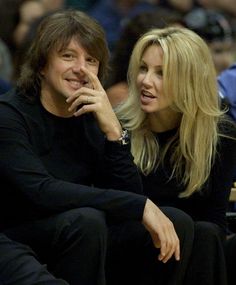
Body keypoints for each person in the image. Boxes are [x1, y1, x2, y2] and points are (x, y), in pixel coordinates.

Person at [0, 10, 194, 285]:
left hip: (82, 235)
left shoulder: (93, 116)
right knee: (87, 221)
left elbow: (127, 196)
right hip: (19, 239)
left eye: (90, 60)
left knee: (176, 221)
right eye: (68, 56)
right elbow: (42, 191)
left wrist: (114, 132)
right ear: (42, 64)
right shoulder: (9, 115)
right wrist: (138, 205)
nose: (81, 68)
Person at [116, 26, 236, 284]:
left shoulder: (221, 135)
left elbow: (214, 220)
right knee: (178, 220)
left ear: (189, 80)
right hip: (132, 246)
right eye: (143, 68)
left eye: (161, 73)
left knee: (206, 232)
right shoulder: (119, 127)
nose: (146, 81)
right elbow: (121, 208)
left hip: (193, 253)